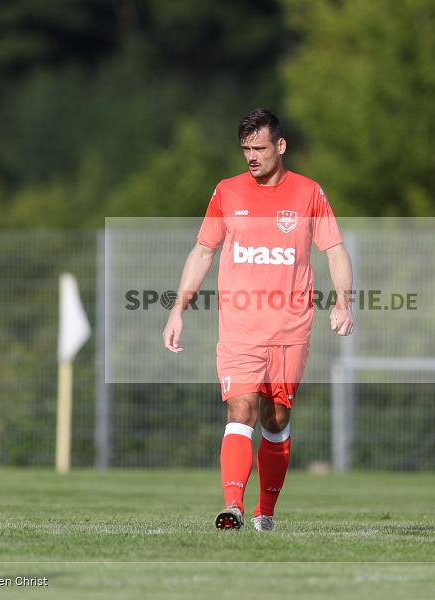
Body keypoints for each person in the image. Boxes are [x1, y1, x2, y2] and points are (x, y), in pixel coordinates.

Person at [162, 108, 354, 531]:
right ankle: (233, 506)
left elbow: (335, 249)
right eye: (245, 149)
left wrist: (343, 301)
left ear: (280, 146)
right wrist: (178, 308)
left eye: (260, 148)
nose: (251, 156)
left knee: (276, 418)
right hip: (239, 330)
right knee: (242, 408)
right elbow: (203, 251)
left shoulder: (308, 193)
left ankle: (266, 512)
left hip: (290, 330)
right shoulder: (228, 192)